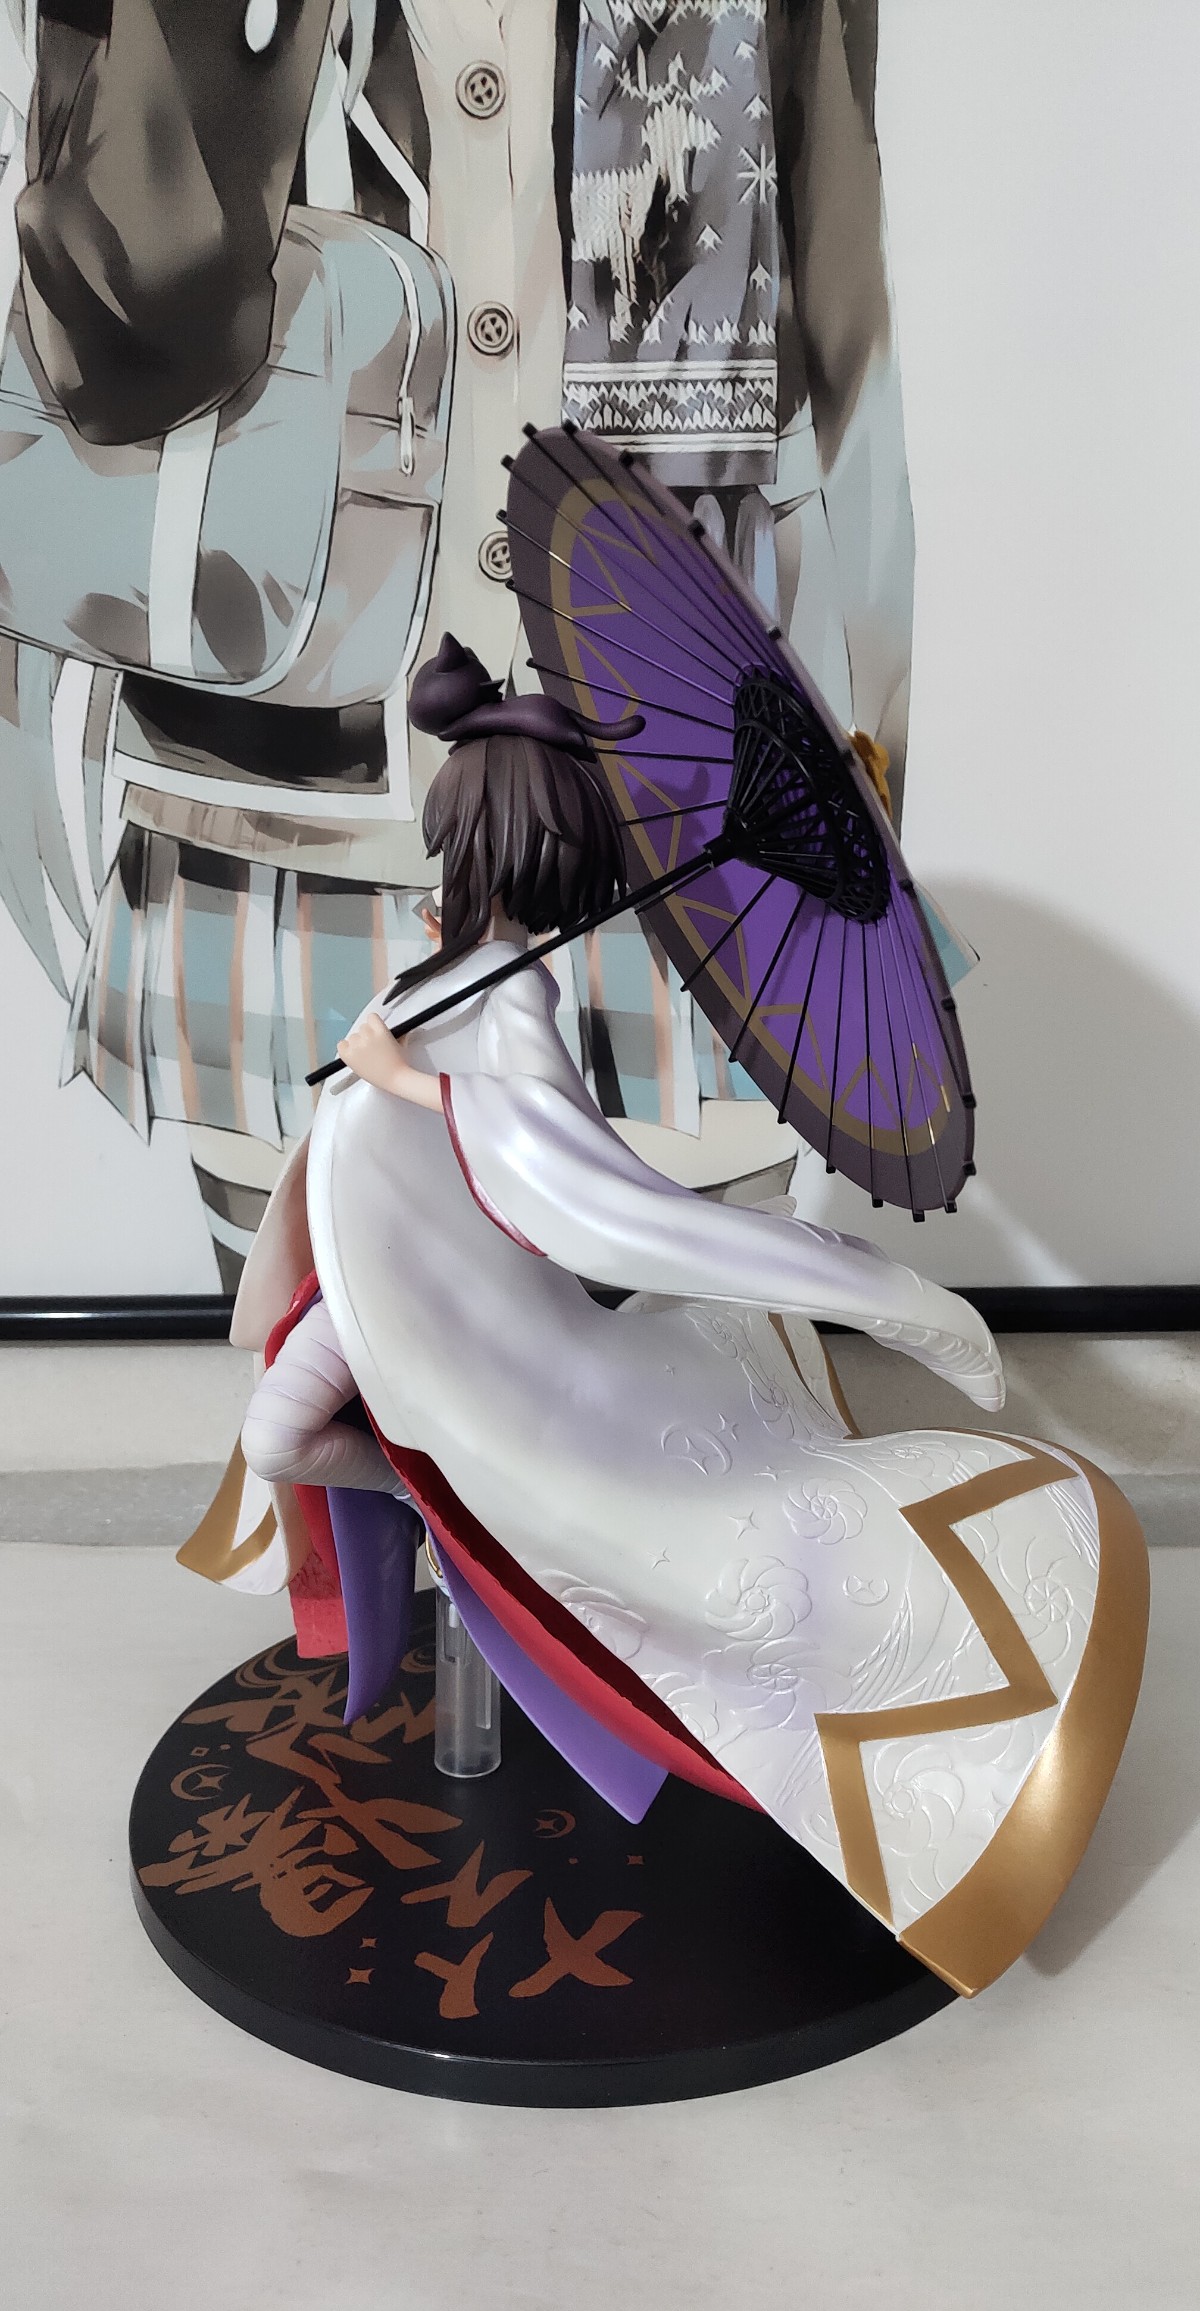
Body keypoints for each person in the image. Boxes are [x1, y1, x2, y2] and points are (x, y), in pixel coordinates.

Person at [223, 636, 1149, 1999]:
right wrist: (407, 1036)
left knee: (302, 1440)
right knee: (277, 1437)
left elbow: (556, 1175)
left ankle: (446, 1497)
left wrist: (406, 1080)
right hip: (393, 1296)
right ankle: (430, 1497)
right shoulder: (463, 968)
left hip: (473, 1327)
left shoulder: (513, 992)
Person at [0, 0, 916, 1284]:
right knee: (328, 1352)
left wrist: (867, 755)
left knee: (692, 1367)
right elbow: (106, 336)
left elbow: (843, 351)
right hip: (279, 818)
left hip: (684, 809)